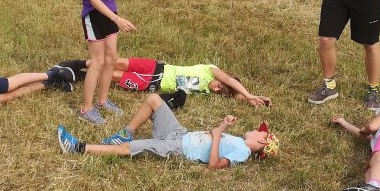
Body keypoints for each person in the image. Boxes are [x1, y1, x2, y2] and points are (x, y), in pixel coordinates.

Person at [57, 93, 279, 169]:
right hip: (180, 134)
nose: (256, 130)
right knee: (154, 99)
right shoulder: (239, 142)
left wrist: (218, 133)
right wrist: (219, 129)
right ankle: (125, 132)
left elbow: (214, 165)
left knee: (128, 149)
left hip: (176, 147)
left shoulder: (242, 153)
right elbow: (213, 138)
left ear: (262, 142)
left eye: (260, 132)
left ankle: (78, 147)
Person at [63, 57, 272, 107]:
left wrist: (250, 99)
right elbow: (229, 81)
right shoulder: (210, 70)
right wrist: (249, 94)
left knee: (115, 76)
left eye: (220, 92)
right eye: (220, 86)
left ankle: (83, 75)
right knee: (119, 62)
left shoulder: (207, 91)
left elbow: (233, 93)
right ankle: (79, 64)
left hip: (152, 82)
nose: (217, 89)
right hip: (157, 67)